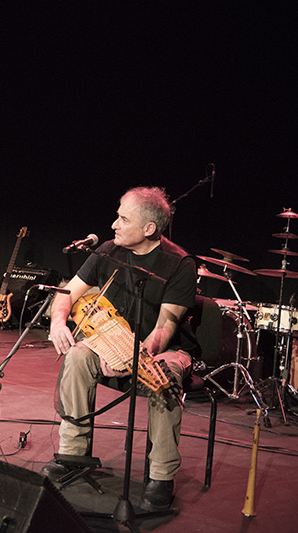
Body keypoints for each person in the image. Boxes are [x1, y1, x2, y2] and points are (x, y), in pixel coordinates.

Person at [43, 186, 197, 511]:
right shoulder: (108, 250)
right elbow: (66, 293)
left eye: (123, 218)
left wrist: (130, 356)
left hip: (164, 350)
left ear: (149, 229)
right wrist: (58, 323)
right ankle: (73, 455)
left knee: (165, 378)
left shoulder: (179, 264)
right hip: (109, 341)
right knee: (77, 355)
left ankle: (160, 476)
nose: (113, 224)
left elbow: (164, 329)